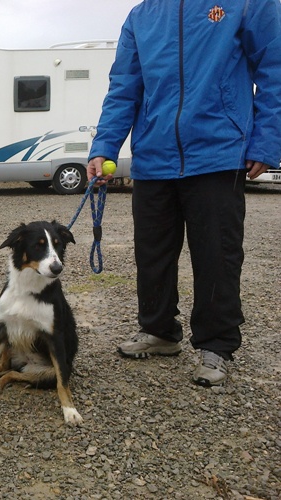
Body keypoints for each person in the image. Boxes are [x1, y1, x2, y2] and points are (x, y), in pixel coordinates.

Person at [87, 0, 281, 387]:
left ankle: (216, 345)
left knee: (217, 255)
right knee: (152, 252)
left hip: (218, 151)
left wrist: (266, 142)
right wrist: (104, 146)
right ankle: (159, 331)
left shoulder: (246, 3)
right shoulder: (142, 16)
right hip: (153, 157)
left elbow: (275, 70)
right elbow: (125, 87)